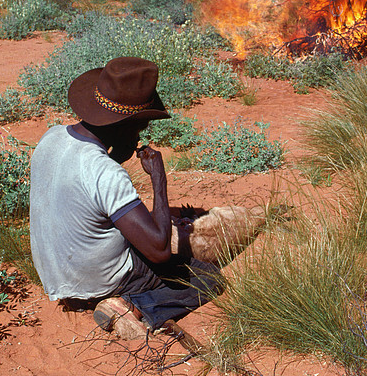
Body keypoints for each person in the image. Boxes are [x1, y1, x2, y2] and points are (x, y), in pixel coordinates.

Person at [29, 56, 230, 340]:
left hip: (57, 273)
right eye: (139, 125)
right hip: (98, 280)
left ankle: (102, 297)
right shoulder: (106, 172)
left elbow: (85, 189)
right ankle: (131, 306)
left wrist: (116, 157)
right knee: (208, 278)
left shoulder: (52, 137)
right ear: (123, 124)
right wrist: (159, 180)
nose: (140, 134)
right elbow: (159, 250)